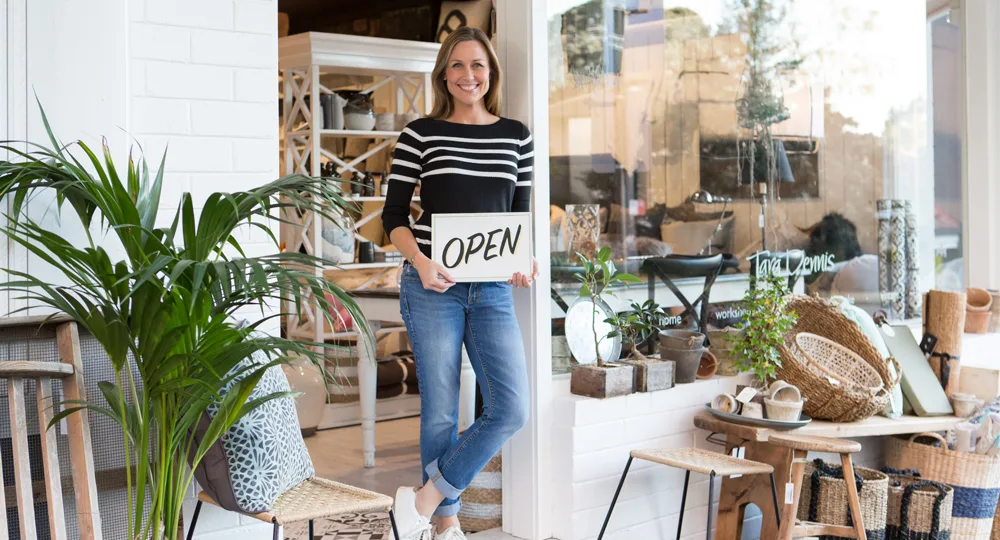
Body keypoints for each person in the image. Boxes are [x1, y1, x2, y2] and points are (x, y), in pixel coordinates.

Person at [380, 26, 539, 540]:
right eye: (457, 65)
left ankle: (422, 502)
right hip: (432, 287)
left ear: (490, 73)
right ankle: (445, 526)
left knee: (512, 408)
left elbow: (519, 218)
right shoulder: (420, 134)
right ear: (444, 74)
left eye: (477, 65)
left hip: (492, 288)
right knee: (441, 411)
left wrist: (524, 260)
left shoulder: (517, 135)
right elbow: (393, 217)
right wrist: (422, 263)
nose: (468, 75)